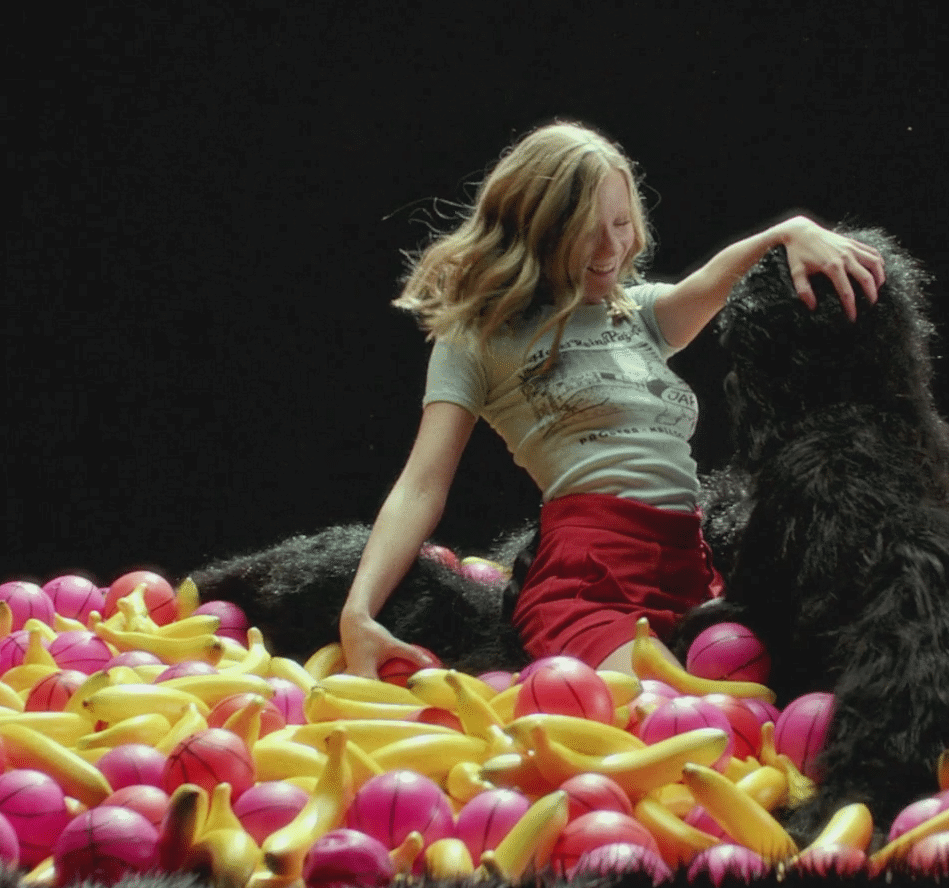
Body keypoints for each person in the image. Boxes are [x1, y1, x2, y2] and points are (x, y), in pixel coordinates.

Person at [339, 121, 885, 678]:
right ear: (536, 229)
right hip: (588, 581)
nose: (610, 248)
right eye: (584, 231)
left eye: (621, 223)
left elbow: (717, 277)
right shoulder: (478, 337)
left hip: (690, 571)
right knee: (661, 710)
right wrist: (358, 613)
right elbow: (421, 485)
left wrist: (791, 232)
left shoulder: (638, 312)